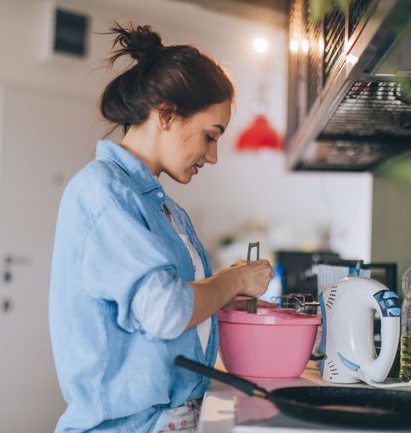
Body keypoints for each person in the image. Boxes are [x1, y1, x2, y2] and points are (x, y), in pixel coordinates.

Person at [49, 22, 274, 433]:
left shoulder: (164, 208)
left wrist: (226, 292)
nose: (214, 155)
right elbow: (167, 312)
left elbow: (168, 310)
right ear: (167, 114)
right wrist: (234, 278)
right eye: (210, 136)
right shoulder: (103, 192)